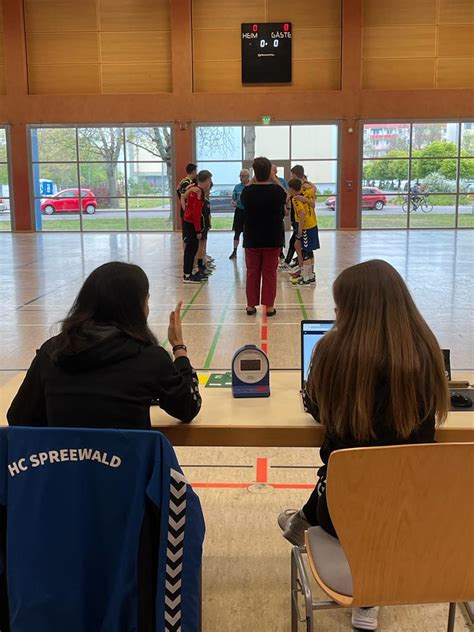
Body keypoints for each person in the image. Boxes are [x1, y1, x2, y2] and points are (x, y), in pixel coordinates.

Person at [278, 259, 449, 631]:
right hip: (413, 515)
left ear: (351, 310)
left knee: (343, 467)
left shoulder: (331, 352)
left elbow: (319, 409)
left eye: (339, 306)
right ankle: (368, 595)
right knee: (376, 477)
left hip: (341, 515)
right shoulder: (425, 348)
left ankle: (311, 523)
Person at [7, 262, 202, 429]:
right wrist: (179, 349)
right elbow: (188, 408)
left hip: (66, 472)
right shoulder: (150, 359)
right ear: (135, 308)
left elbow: (18, 418)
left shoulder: (51, 352)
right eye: (146, 301)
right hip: (127, 472)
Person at [240, 157, 286, 317]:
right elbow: (286, 195)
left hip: (252, 238)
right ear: (269, 172)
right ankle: (269, 307)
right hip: (272, 239)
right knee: (270, 273)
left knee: (252, 272)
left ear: (254, 172)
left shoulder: (247, 192)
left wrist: (256, 177)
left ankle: (251, 306)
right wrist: (273, 178)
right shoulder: (277, 192)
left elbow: (247, 188)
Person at [281, 165, 316, 273]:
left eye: (292, 175)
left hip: (305, 224)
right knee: (300, 246)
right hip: (307, 222)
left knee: (305, 249)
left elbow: (303, 213)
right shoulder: (308, 188)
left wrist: (300, 231)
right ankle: (305, 271)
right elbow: (313, 197)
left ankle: (307, 275)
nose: (291, 177)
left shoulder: (299, 195)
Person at [286, 178, 319, 286]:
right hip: (313, 225)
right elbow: (314, 188)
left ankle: (305, 278)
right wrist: (307, 181)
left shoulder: (296, 199)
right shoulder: (307, 192)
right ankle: (310, 275)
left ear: (291, 189)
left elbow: (302, 215)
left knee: (305, 253)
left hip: (306, 227)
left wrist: (299, 232)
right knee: (309, 251)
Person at [182, 170, 213, 283]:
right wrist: (198, 230)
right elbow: (196, 213)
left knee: (193, 248)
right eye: (209, 180)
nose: (210, 183)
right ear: (205, 181)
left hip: (189, 222)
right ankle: (187, 274)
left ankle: (190, 272)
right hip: (191, 223)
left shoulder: (196, 189)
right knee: (191, 249)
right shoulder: (198, 192)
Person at [229, 169, 250, 259]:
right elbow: (233, 198)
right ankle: (234, 251)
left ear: (248, 177)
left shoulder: (251, 186)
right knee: (237, 232)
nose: (241, 178)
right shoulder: (237, 187)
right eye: (240, 176)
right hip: (239, 211)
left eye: (243, 176)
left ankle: (248, 252)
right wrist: (233, 202)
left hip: (249, 212)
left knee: (248, 233)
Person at [176, 163, 197, 243]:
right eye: (196, 171)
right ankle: (186, 254)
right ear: (193, 171)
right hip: (186, 211)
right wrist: (185, 210)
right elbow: (182, 197)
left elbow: (178, 190)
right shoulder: (186, 183)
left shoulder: (185, 181)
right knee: (186, 237)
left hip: (186, 210)